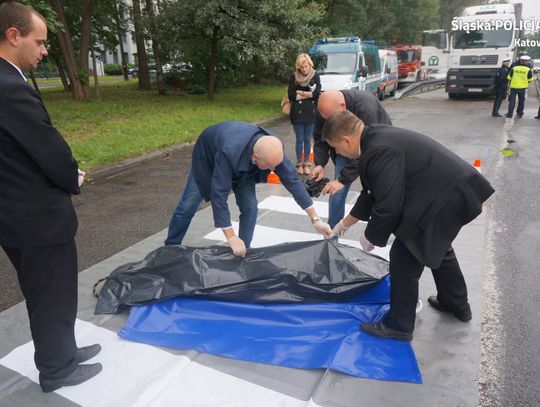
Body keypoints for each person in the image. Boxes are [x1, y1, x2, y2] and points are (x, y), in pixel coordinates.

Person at [0, 2, 102, 392]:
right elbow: (49, 149)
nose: (44, 51)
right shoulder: (10, 88)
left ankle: (64, 351)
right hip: (36, 217)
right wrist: (69, 173)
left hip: (13, 212)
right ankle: (58, 368)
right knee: (52, 295)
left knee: (44, 292)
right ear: (14, 36)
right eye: (39, 42)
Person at [323, 110, 495, 341]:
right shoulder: (375, 137)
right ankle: (456, 303)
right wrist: (344, 224)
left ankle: (399, 326)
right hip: (454, 190)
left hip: (444, 196)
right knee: (437, 247)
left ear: (346, 140)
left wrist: (371, 236)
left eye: (335, 148)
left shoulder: (378, 149)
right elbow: (372, 193)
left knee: (405, 258)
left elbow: (389, 204)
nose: (337, 153)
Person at [165, 121, 332, 254]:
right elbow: (219, 195)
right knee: (188, 206)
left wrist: (315, 219)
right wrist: (230, 236)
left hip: (245, 165)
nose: (273, 170)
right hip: (208, 160)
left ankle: (244, 250)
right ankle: (170, 248)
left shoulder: (271, 149)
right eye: (269, 167)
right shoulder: (227, 152)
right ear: (255, 157)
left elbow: (293, 181)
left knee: (250, 207)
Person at [311, 89, 392, 228]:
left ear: (342, 106)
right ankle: (332, 233)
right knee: (336, 191)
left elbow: (371, 148)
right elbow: (320, 138)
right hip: (346, 149)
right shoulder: (325, 110)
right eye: (325, 119)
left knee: (377, 191)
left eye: (331, 117)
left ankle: (377, 232)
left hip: (377, 152)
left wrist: (343, 179)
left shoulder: (367, 109)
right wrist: (320, 164)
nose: (327, 121)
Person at [288, 53, 321, 176]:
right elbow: (291, 95)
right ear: (298, 67)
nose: (304, 69)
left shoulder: (315, 75)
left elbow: (317, 93)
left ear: (309, 65)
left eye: (306, 66)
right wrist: (308, 94)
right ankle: (299, 164)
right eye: (302, 67)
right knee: (299, 140)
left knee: (308, 140)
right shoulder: (294, 76)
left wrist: (301, 92)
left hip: (311, 112)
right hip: (298, 112)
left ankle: (306, 163)